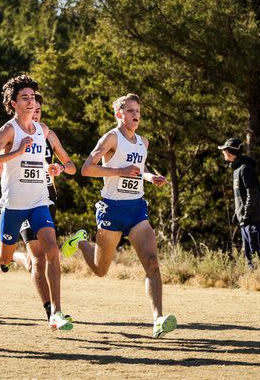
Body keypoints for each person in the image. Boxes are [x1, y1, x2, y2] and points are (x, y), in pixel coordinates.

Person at [61, 93, 177, 338]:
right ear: (119, 114)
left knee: (152, 263)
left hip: (136, 209)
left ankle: (158, 319)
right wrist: (120, 171)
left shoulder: (143, 142)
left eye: (138, 111)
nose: (136, 115)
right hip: (112, 208)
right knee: (101, 269)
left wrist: (149, 177)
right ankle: (81, 242)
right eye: (131, 111)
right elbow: (86, 169)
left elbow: (140, 168)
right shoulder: (111, 137)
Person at [0, 74, 73, 330]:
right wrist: (16, 153)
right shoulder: (9, 130)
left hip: (39, 201)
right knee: (5, 259)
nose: (30, 102)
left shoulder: (43, 130)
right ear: (13, 103)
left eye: (32, 97)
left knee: (52, 250)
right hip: (14, 206)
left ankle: (57, 313)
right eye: (24, 98)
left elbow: (47, 162)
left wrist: (55, 170)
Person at [219, 137, 260, 269]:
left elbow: (253, 194)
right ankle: (254, 282)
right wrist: (237, 213)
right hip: (245, 219)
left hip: (253, 218)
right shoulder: (236, 169)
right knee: (249, 255)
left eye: (224, 150)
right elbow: (241, 196)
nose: (223, 152)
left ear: (230, 151)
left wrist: (246, 215)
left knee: (256, 253)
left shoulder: (245, 169)